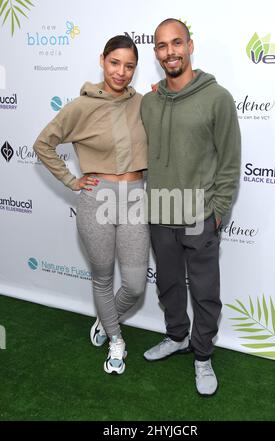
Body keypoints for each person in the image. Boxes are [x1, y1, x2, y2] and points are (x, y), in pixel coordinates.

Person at [33, 35, 149, 375]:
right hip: (96, 199)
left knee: (135, 284)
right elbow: (43, 144)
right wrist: (72, 181)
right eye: (115, 63)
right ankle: (115, 337)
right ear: (102, 60)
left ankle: (104, 318)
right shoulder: (80, 106)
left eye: (129, 66)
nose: (121, 72)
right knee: (102, 277)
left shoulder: (143, 103)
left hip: (136, 198)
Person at [141, 19, 241, 395]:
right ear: (156, 53)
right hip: (158, 214)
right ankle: (177, 336)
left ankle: (202, 355)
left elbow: (230, 162)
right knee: (168, 286)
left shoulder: (218, 98)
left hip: (200, 215)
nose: (171, 52)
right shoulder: (149, 101)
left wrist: (218, 211)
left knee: (204, 291)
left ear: (190, 45)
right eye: (163, 46)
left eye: (177, 43)